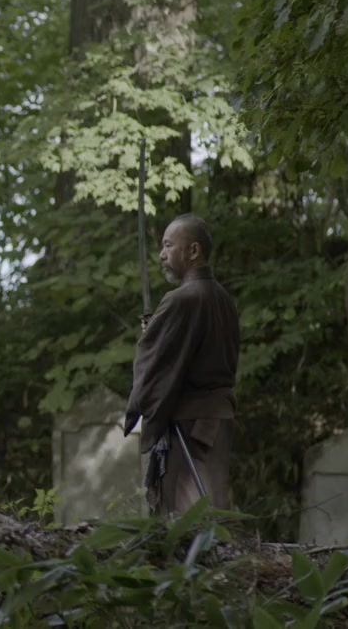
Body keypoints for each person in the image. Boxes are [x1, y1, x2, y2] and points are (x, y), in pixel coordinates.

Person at [124, 214, 239, 515]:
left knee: (187, 517)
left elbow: (155, 362)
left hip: (189, 423)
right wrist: (158, 330)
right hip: (219, 419)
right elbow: (190, 348)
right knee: (213, 506)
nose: (162, 255)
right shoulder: (224, 299)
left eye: (168, 245)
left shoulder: (180, 300)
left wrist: (152, 338)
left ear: (193, 251)